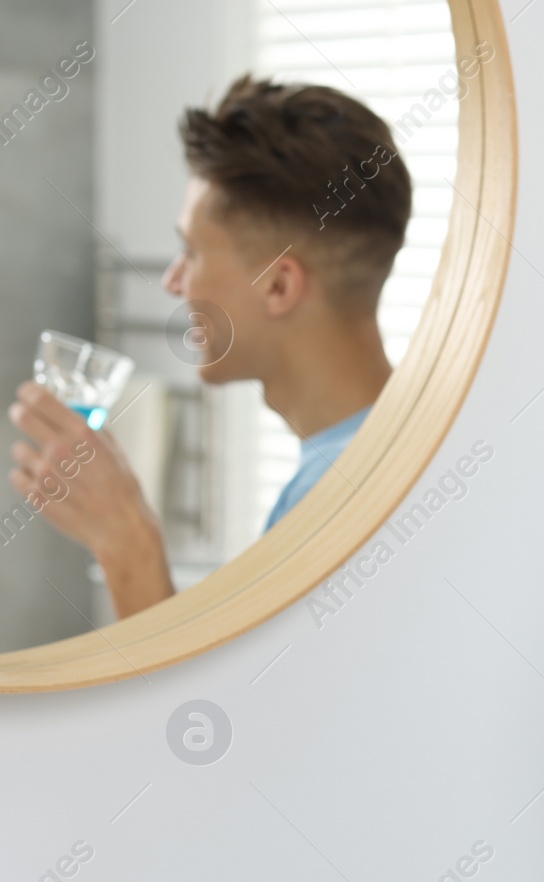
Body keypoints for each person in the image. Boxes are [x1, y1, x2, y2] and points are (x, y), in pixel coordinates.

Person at [6, 74, 409, 620]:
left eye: (191, 252)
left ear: (278, 286)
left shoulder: (336, 505)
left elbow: (209, 708)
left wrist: (126, 542)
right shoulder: (402, 445)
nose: (174, 281)